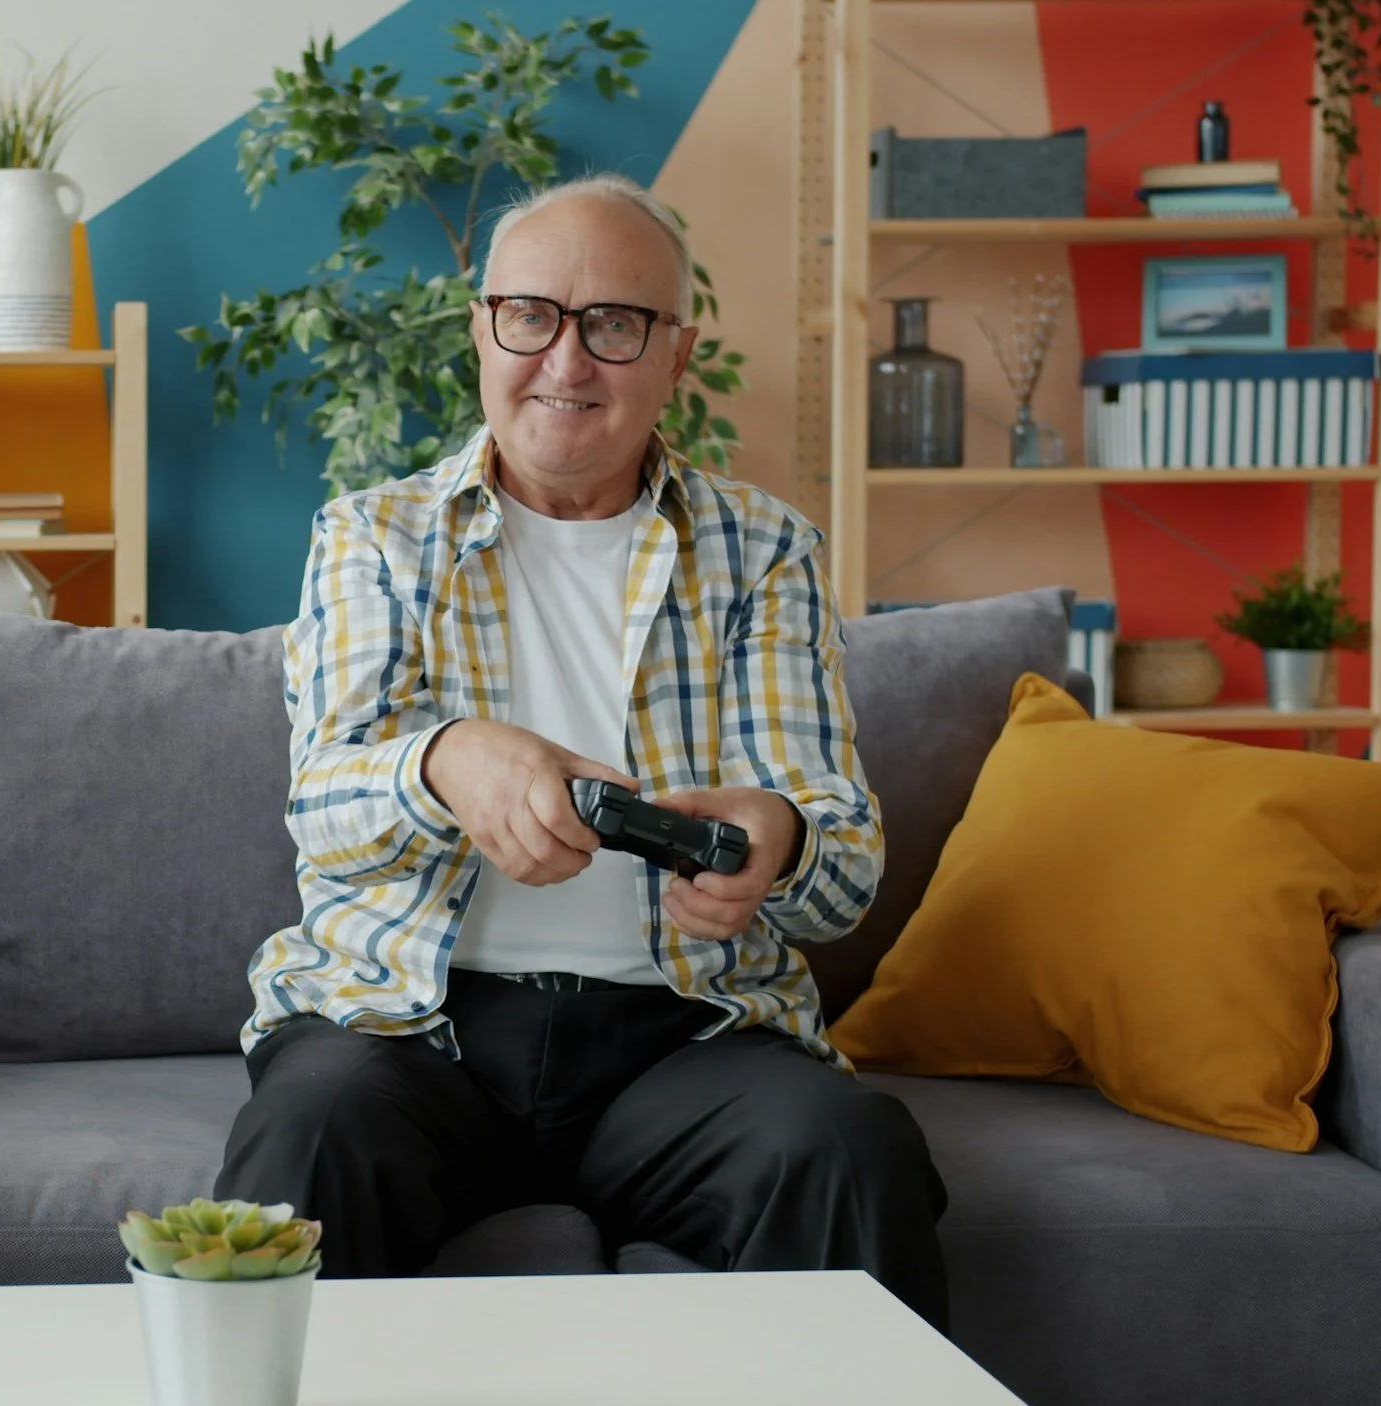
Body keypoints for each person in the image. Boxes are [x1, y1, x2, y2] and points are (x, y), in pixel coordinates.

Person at [217, 173, 948, 1326]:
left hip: (683, 1040)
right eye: (530, 316)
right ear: (480, 328)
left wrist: (779, 834)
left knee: (845, 1145)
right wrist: (446, 758)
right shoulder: (372, 535)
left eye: (613, 324)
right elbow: (321, 804)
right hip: (410, 1031)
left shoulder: (763, 552)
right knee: (308, 1134)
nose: (565, 362)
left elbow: (842, 865)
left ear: (675, 353)